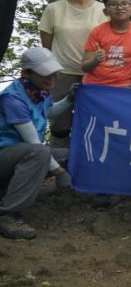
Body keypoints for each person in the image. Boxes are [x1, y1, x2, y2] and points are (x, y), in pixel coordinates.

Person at [0, 48, 75, 239]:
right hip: (6, 156)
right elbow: (34, 142)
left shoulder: (38, 91)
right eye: (45, 74)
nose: (51, 79)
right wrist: (60, 172)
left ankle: (8, 191)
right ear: (27, 73)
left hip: (18, 156)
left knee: (71, 154)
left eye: (54, 74)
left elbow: (47, 112)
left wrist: (69, 100)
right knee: (39, 153)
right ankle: (8, 214)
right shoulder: (13, 99)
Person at [38, 0, 106, 144]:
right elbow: (46, 46)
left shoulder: (103, 10)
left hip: (95, 74)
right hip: (62, 74)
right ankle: (57, 160)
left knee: (93, 123)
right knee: (59, 126)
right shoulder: (53, 9)